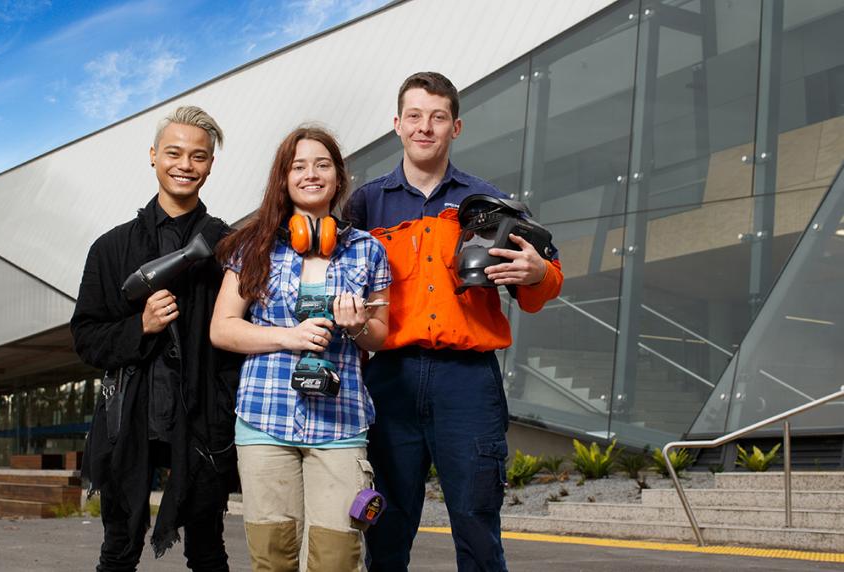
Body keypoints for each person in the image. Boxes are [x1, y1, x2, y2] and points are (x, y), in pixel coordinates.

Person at [345, 72, 563, 571]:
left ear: (456, 127)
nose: (426, 128)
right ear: (397, 124)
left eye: (437, 117)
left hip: (467, 382)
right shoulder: (364, 205)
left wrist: (537, 271)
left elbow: (544, 283)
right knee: (386, 526)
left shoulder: (487, 203)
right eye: (415, 116)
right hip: (390, 379)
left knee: (476, 522)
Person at [210, 126, 391, 572]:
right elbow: (222, 328)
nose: (311, 174)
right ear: (284, 179)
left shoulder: (367, 250)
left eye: (322, 164)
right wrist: (287, 337)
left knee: (337, 559)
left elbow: (381, 335)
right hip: (264, 419)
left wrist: (358, 325)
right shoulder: (252, 247)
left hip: (341, 424)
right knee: (272, 559)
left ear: (339, 175)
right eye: (299, 166)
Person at [71, 105, 243, 572]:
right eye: (174, 152)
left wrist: (225, 403)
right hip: (130, 417)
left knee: (208, 550)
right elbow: (85, 337)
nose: (185, 164)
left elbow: (243, 339)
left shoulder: (230, 248)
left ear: (210, 165)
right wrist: (139, 327)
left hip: (204, 419)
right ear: (153, 156)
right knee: (118, 549)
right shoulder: (111, 248)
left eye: (198, 156)